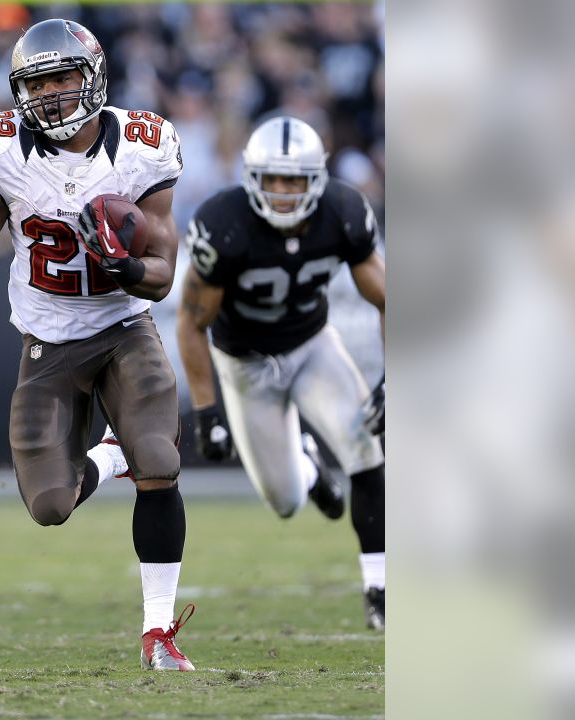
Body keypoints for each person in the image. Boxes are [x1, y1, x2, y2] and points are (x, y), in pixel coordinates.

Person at [0, 19, 195, 671]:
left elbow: (164, 269)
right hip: (48, 340)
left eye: (63, 78)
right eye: (37, 84)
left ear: (93, 78)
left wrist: (126, 269)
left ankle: (158, 632)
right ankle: (109, 459)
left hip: (122, 327)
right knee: (50, 506)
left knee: (160, 462)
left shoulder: (143, 147)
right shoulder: (0, 150)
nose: (52, 96)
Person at [175, 116, 386, 630]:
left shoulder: (343, 210)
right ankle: (310, 467)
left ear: (316, 179)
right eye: (273, 179)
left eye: (295, 180)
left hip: (312, 344)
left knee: (366, 446)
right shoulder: (224, 224)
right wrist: (207, 411)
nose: (284, 192)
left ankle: (380, 587)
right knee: (286, 501)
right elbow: (190, 320)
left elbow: (387, 296)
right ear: (253, 178)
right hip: (245, 366)